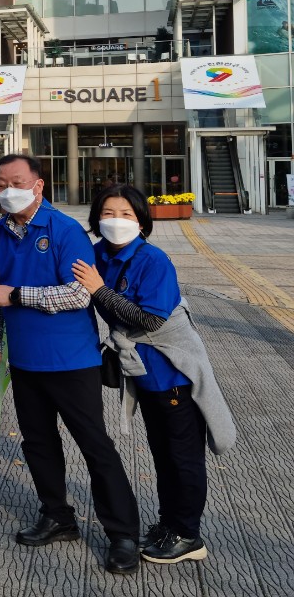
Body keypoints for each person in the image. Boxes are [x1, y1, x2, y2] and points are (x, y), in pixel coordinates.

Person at [0, 154, 141, 576]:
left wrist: (17, 295)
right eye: (0, 182)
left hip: (72, 361)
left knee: (95, 446)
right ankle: (58, 516)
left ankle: (123, 533)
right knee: (38, 444)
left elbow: (78, 295)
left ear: (38, 186)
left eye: (16, 181)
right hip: (26, 361)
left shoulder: (65, 230)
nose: (6, 189)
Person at [71, 184, 235, 565]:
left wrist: (99, 291)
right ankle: (169, 523)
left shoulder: (153, 259)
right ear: (96, 219)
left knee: (183, 457)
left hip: (171, 372)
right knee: (162, 454)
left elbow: (151, 318)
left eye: (126, 214)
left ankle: (189, 535)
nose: (116, 221)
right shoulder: (97, 255)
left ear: (142, 221)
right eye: (108, 213)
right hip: (144, 375)